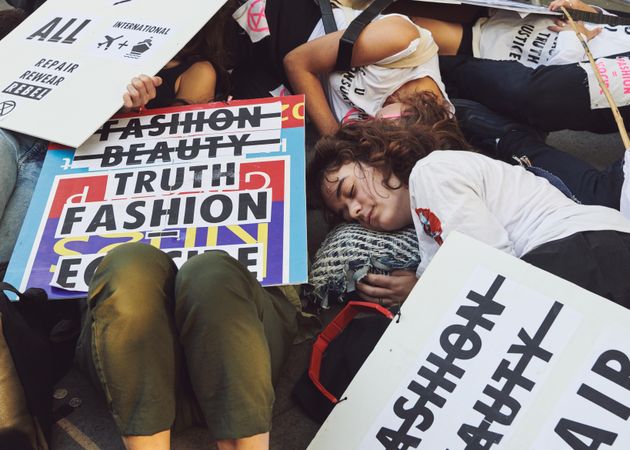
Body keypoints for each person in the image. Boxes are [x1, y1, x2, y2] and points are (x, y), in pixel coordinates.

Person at [308, 113, 630, 310]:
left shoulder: (431, 172)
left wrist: (422, 292)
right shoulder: (425, 215)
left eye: (350, 191)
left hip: (579, 250)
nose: (356, 210)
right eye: (347, 213)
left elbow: (490, 275)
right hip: (585, 252)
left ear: (373, 154)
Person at [74, 244, 304, 450]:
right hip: (145, 372)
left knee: (211, 277)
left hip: (238, 357)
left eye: (343, 206)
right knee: (125, 266)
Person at [283, 7, 452, 135]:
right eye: (383, 125)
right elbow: (296, 63)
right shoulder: (403, 42)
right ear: (410, 111)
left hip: (290, 94)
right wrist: (335, 139)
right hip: (291, 27)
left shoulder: (426, 134)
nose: (373, 127)